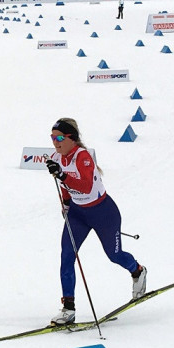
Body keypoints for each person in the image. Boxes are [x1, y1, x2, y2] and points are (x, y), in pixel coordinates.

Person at [45, 117, 146, 326]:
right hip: (77, 214)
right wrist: (65, 204)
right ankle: (68, 308)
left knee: (114, 255)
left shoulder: (83, 157)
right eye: (53, 138)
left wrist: (62, 175)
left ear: (71, 138)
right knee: (66, 256)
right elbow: (64, 186)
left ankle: (137, 270)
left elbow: (84, 187)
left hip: (103, 212)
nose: (55, 142)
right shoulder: (57, 156)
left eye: (60, 137)